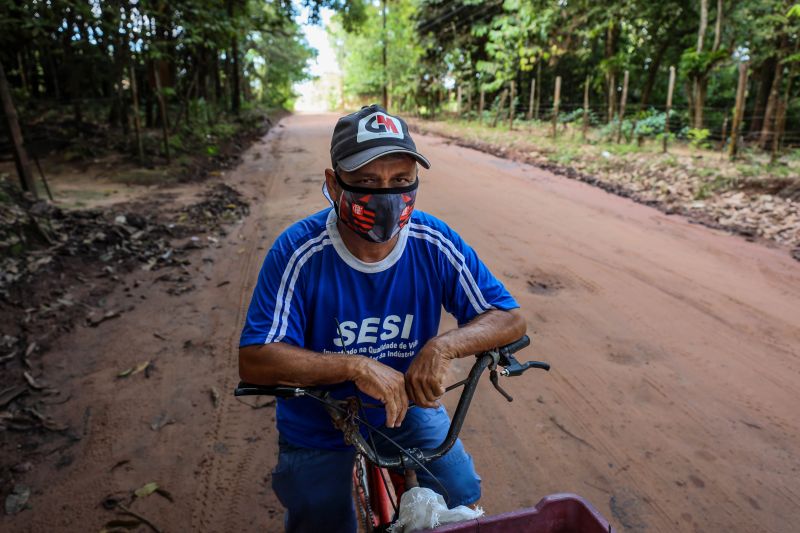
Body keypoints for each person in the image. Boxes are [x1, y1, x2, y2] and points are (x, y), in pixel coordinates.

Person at [239, 104, 525, 533]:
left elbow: (508, 316)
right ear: (334, 185)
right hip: (318, 416)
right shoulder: (297, 252)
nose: (388, 196)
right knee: (321, 520)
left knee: (459, 495)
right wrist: (354, 365)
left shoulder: (433, 241)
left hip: (405, 406)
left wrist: (443, 345)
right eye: (368, 182)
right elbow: (257, 359)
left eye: (401, 182)